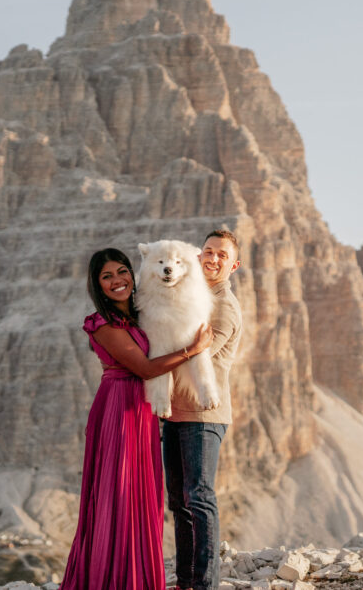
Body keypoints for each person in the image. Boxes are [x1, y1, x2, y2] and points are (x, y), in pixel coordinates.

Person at [62, 247, 214, 590]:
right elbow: (144, 368)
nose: (117, 281)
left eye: (122, 271)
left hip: (142, 409)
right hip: (118, 409)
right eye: (107, 276)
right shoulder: (102, 323)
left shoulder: (139, 312)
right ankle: (111, 579)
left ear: (134, 273)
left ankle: (138, 578)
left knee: (139, 494)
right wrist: (193, 349)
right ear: (97, 285)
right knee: (118, 491)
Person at [163, 229, 242, 590]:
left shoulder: (223, 305)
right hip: (176, 413)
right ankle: (186, 581)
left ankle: (205, 583)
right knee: (179, 502)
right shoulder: (191, 295)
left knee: (200, 496)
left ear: (233, 265)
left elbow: (199, 356)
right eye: (208, 251)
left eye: (221, 255)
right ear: (197, 256)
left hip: (204, 417)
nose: (212, 258)